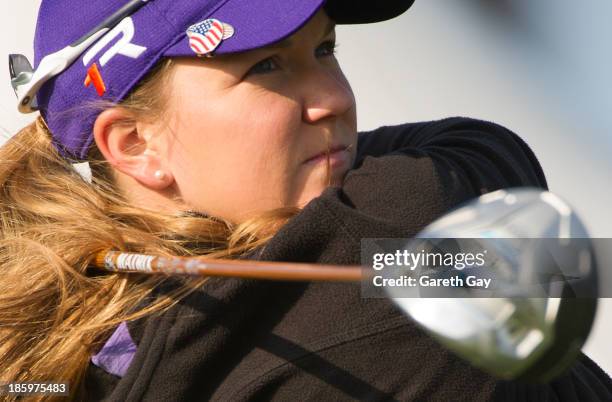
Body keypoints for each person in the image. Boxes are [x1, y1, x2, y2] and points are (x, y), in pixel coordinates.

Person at [1, 0, 610, 400]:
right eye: (267, 65)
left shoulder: (70, 357)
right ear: (134, 144)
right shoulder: (394, 239)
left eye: (325, 49)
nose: (335, 98)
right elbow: (467, 155)